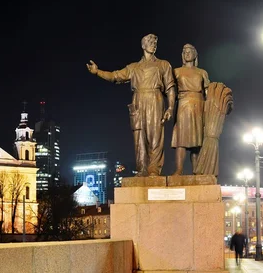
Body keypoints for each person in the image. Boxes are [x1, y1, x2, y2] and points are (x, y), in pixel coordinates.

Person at [86, 34, 176, 176]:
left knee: (156, 136)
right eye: (150, 42)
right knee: (139, 137)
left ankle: (154, 170)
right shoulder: (134, 67)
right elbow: (115, 76)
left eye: (155, 42)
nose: (153, 44)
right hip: (138, 101)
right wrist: (97, 72)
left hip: (155, 99)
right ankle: (142, 169)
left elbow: (170, 88)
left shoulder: (163, 65)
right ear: (143, 45)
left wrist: (170, 107)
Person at [171, 44, 209, 175]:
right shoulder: (176, 71)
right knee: (181, 139)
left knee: (197, 142)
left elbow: (207, 92)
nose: (187, 54)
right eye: (184, 52)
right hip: (183, 104)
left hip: (199, 105)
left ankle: (197, 171)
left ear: (195, 54)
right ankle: (179, 169)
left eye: (189, 51)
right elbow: (170, 90)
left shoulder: (202, 72)